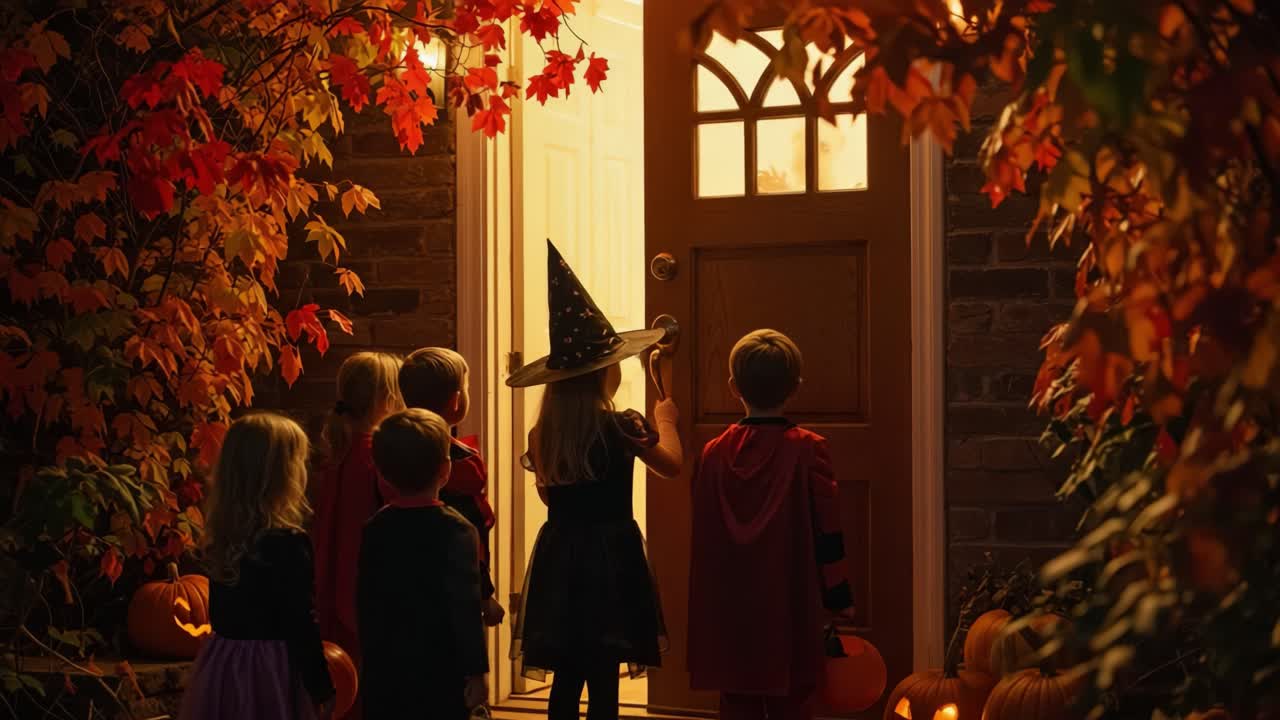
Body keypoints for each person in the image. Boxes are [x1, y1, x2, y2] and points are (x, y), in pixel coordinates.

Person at [506, 241, 682, 720]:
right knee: (604, 670)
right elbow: (670, 464)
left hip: (560, 560)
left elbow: (547, 491)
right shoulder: (623, 425)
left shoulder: (543, 434)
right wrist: (665, 419)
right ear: (604, 372)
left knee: (567, 672)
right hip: (612, 560)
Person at [686, 329, 855, 720]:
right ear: (795, 387)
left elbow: (704, 532)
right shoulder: (808, 448)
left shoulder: (712, 453)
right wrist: (839, 596)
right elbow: (827, 528)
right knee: (792, 700)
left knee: (736, 699)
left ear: (733, 387)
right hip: (788, 598)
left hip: (727, 603)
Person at [180, 413, 335, 720]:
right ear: (281, 475)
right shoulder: (288, 543)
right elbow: (300, 620)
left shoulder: (221, 539)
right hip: (270, 670)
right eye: (299, 462)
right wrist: (320, 685)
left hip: (224, 665)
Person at [358, 408, 489, 719]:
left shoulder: (375, 528)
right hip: (441, 665)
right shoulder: (457, 530)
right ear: (445, 471)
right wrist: (476, 670)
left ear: (381, 471)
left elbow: (366, 603)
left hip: (386, 665)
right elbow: (464, 606)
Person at [311, 350, 403, 709]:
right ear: (387, 399)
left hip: (334, 594)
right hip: (363, 599)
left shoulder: (340, 452)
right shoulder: (375, 457)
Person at [395, 347, 504, 626]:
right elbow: (474, 532)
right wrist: (484, 594)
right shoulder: (463, 463)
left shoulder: (391, 447)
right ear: (457, 400)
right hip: (453, 589)